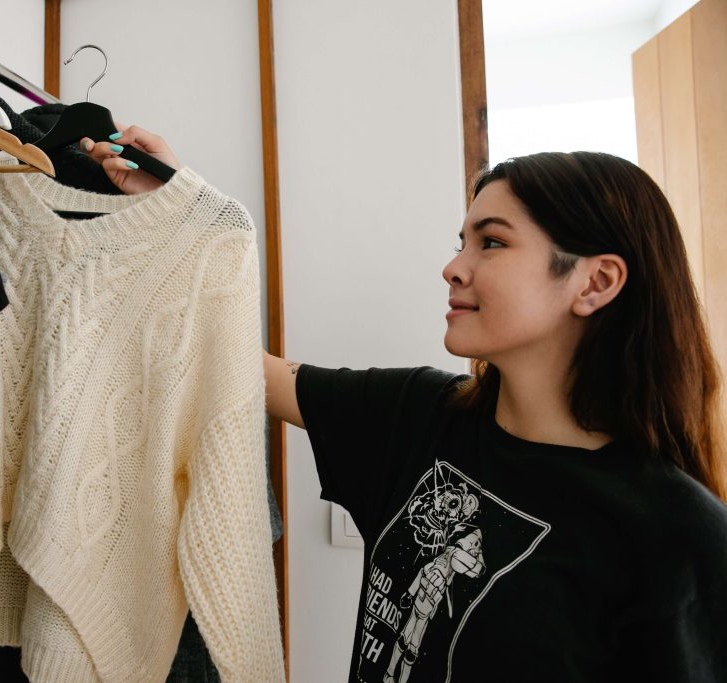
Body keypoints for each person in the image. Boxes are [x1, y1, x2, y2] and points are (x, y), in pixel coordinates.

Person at [80, 129, 727, 682]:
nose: (454, 266)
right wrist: (177, 212)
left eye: (492, 242)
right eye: (462, 240)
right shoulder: (418, 413)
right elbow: (238, 367)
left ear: (596, 280)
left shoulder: (678, 535)